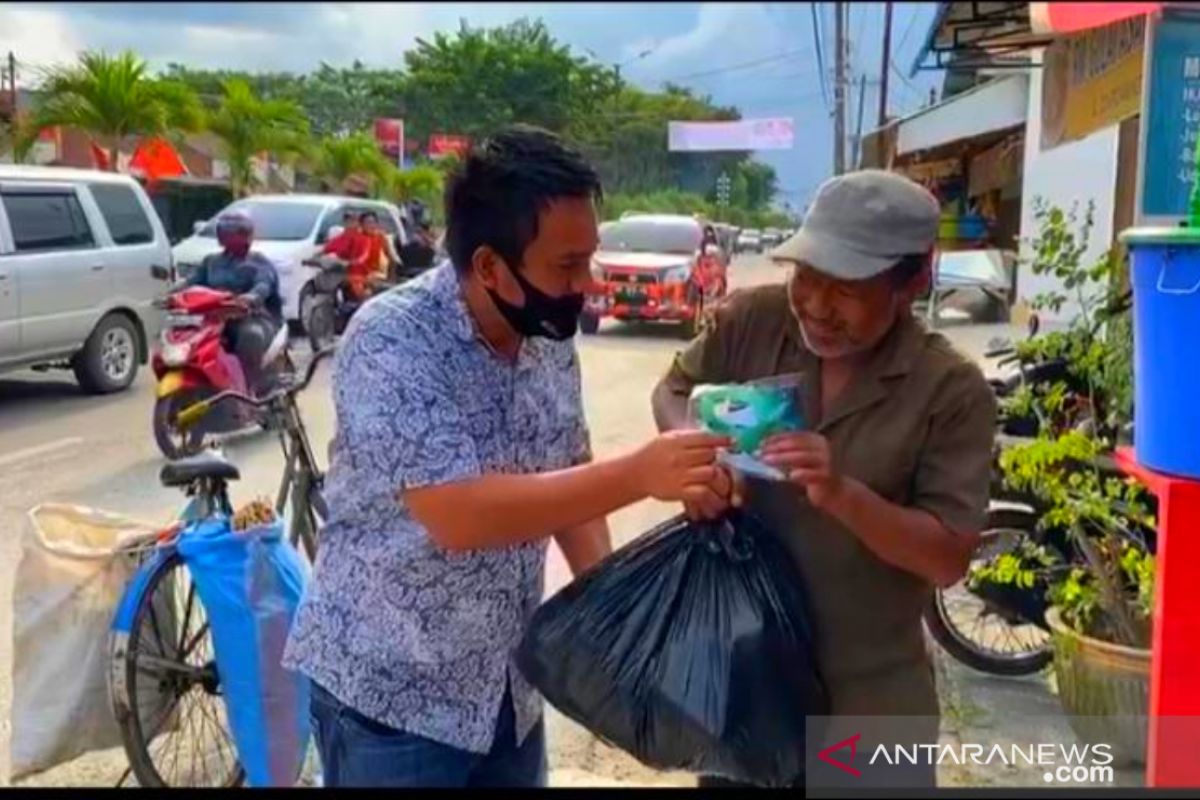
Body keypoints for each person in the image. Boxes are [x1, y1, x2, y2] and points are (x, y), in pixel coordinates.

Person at [283, 125, 729, 788]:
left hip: (505, 693)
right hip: (392, 701)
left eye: (590, 260)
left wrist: (611, 615)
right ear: (490, 265)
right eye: (566, 267)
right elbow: (459, 514)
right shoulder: (393, 341)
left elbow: (568, 475)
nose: (586, 285)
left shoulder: (545, 334)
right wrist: (639, 474)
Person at [651, 170, 997, 789]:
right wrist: (696, 456)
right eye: (806, 277)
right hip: (743, 683)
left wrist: (843, 495)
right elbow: (674, 389)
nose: (815, 305)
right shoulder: (754, 321)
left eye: (847, 289)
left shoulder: (950, 390)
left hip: (870, 706)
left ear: (913, 281)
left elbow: (947, 557)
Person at [182, 210, 282, 394]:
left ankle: (249, 389)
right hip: (215, 320)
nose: (231, 237)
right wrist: (171, 294)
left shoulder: (258, 262)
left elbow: (263, 285)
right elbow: (191, 283)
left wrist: (251, 298)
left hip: (251, 318)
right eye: (227, 233)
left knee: (251, 337)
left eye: (237, 233)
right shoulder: (211, 262)